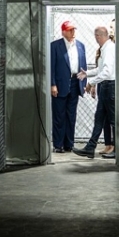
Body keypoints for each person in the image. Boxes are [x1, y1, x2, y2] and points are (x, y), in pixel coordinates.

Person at [74, 26, 115, 160]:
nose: (96, 39)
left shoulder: (109, 49)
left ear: (98, 36)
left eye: (96, 36)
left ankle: (118, 149)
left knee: (113, 119)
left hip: (109, 86)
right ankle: (90, 147)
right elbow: (100, 69)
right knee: (99, 118)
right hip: (106, 87)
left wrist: (91, 82)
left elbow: (107, 72)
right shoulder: (106, 48)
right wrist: (87, 74)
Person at [50, 20, 86, 154]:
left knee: (71, 115)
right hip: (60, 84)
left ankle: (69, 144)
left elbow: (83, 66)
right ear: (63, 32)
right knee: (59, 115)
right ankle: (58, 144)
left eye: (73, 29)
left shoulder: (80, 45)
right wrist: (52, 84)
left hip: (75, 82)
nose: (72, 32)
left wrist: (84, 83)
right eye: (70, 30)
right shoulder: (55, 46)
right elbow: (51, 67)